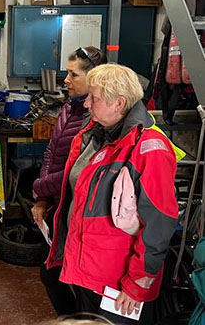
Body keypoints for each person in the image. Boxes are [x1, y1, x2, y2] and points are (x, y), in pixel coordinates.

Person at [46, 64, 179, 324]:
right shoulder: (95, 137)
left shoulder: (148, 148)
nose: (86, 104)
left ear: (118, 103)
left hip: (118, 283)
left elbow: (159, 222)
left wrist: (138, 283)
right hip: (89, 272)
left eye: (94, 98)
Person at [32, 46, 107, 316]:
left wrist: (40, 187)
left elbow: (75, 172)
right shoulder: (70, 107)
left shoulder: (96, 117)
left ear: (94, 78)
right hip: (56, 205)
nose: (66, 80)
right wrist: (41, 197)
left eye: (73, 74)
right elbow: (52, 152)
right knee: (52, 275)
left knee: (77, 283)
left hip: (77, 210)